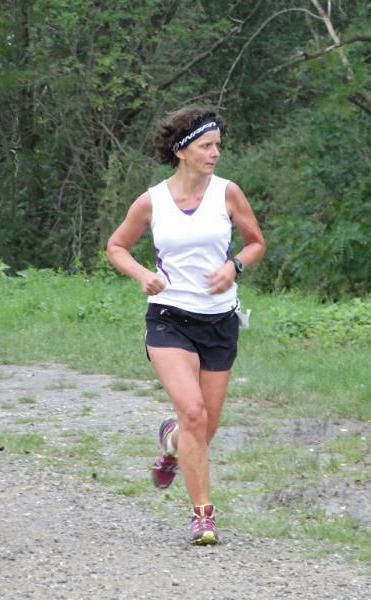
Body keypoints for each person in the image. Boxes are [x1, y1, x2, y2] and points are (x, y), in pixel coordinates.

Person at [106, 105, 266, 545]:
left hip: (219, 322)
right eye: (206, 146)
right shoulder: (152, 201)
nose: (215, 153)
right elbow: (116, 246)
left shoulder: (228, 193)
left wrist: (234, 266)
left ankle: (172, 442)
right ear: (181, 151)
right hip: (169, 318)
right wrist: (143, 275)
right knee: (193, 412)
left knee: (203, 429)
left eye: (217, 146)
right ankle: (203, 517)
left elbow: (256, 243)